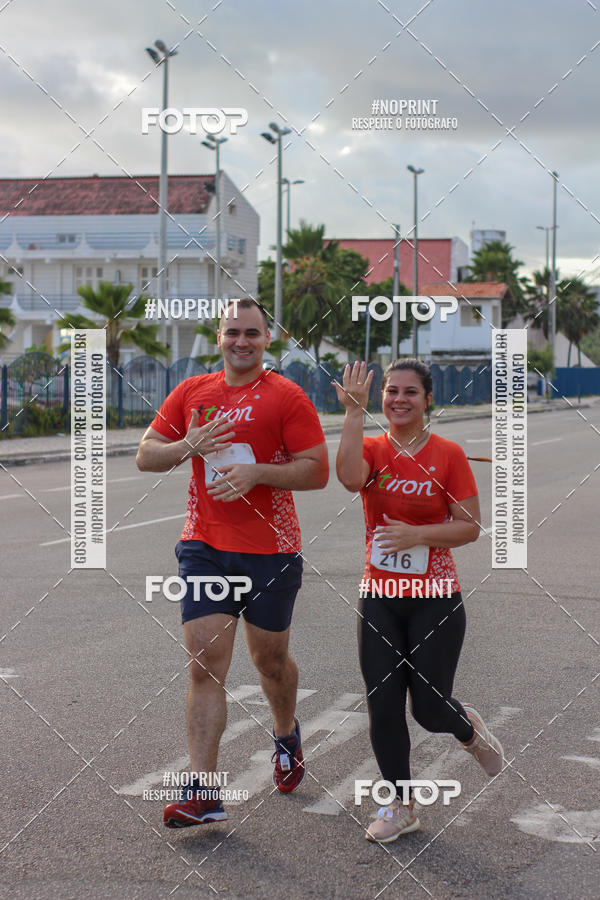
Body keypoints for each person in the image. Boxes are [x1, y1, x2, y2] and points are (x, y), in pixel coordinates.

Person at [137, 298, 329, 828]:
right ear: (219, 338)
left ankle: (286, 732)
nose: (241, 341)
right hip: (204, 547)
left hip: (272, 551)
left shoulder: (286, 396)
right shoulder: (192, 392)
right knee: (205, 664)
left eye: (251, 333)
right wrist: (187, 444)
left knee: (270, 662)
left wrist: (259, 473)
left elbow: (317, 471)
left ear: (267, 339)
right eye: (232, 332)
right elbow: (146, 453)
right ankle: (203, 791)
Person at [334, 359, 503, 843]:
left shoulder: (448, 454)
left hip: (436, 598)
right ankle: (400, 804)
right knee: (383, 703)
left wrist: (418, 534)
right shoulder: (372, 448)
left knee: (428, 709)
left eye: (410, 392)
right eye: (391, 391)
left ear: (428, 399)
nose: (399, 399)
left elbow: (469, 527)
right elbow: (348, 478)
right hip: (380, 595)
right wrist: (353, 412)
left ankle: (468, 729)